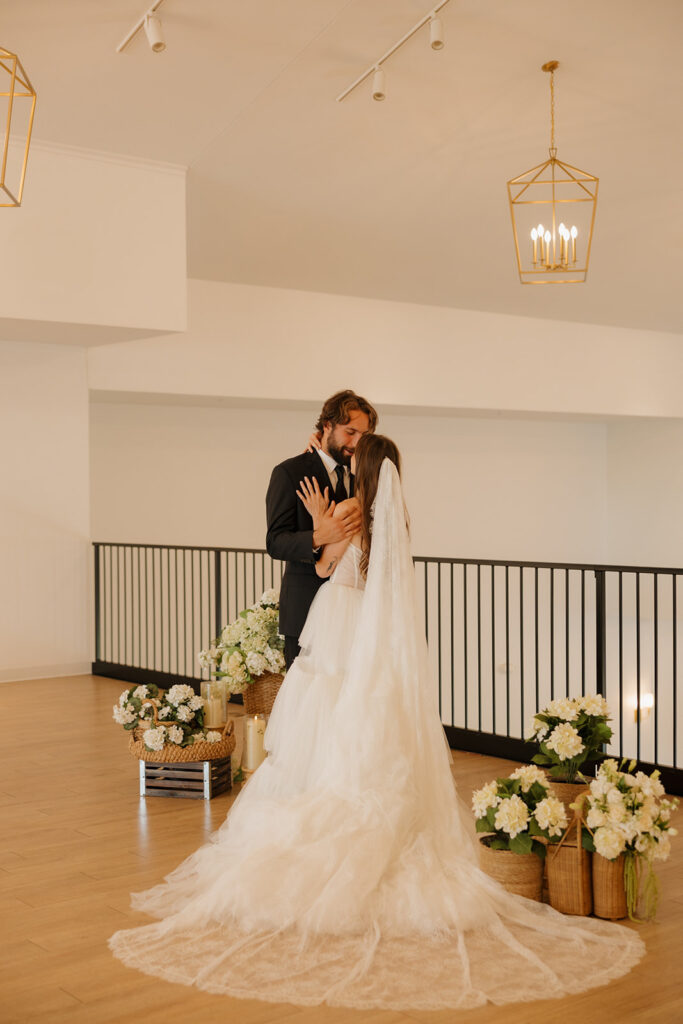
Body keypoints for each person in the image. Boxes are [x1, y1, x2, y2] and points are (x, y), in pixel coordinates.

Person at [110, 434, 645, 1010]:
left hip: (339, 642)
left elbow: (328, 562)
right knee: (366, 736)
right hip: (369, 644)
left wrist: (320, 519)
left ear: (362, 467)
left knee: (325, 742)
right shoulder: (396, 521)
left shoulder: (347, 512)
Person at [265, 389, 377, 670]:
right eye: (350, 432)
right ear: (327, 425)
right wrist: (318, 538)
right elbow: (275, 541)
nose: (356, 442)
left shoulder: (363, 476)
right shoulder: (289, 472)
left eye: (363, 436)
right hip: (305, 610)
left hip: (354, 614)